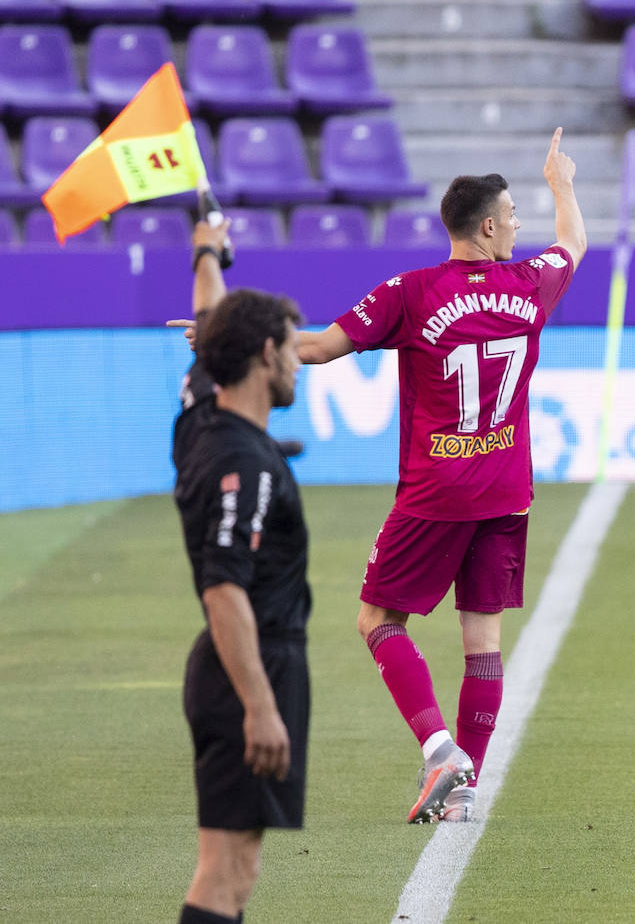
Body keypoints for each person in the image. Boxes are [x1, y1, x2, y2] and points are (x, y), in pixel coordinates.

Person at [295, 127, 587, 823]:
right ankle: (466, 787)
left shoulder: (412, 292)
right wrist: (561, 184)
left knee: (376, 618)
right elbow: (574, 242)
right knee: (481, 641)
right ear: (487, 227)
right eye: (513, 214)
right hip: (507, 490)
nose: (519, 224)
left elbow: (315, 348)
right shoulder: (530, 284)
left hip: (438, 491)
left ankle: (440, 752)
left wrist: (231, 335)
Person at [172, 216, 312, 922]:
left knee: (237, 863)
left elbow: (208, 315)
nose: (299, 361)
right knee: (226, 871)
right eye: (292, 348)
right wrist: (260, 703)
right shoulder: (243, 463)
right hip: (248, 666)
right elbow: (222, 584)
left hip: (236, 665)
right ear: (265, 352)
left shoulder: (202, 414)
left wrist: (207, 248)